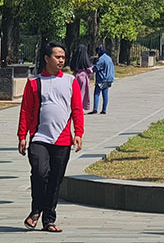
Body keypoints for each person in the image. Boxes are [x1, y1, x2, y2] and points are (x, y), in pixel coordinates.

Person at [17, 42, 84, 232]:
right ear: (47, 58)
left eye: (63, 57)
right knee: (39, 172)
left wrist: (78, 133)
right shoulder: (34, 82)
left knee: (55, 179)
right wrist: (22, 135)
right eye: (57, 57)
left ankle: (48, 219)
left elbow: (77, 109)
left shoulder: (71, 81)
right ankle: (36, 209)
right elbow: (25, 111)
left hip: (63, 139)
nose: (61, 60)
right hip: (39, 137)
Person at [70, 45, 92, 114]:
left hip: (75, 76)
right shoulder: (85, 59)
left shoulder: (75, 58)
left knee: (74, 93)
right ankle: (79, 108)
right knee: (82, 93)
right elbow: (89, 69)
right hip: (83, 76)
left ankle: (73, 107)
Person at [92, 45, 114, 114]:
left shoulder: (101, 59)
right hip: (108, 78)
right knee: (105, 94)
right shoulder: (108, 58)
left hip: (101, 79)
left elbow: (96, 68)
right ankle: (104, 109)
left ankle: (95, 109)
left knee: (97, 93)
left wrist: (91, 68)